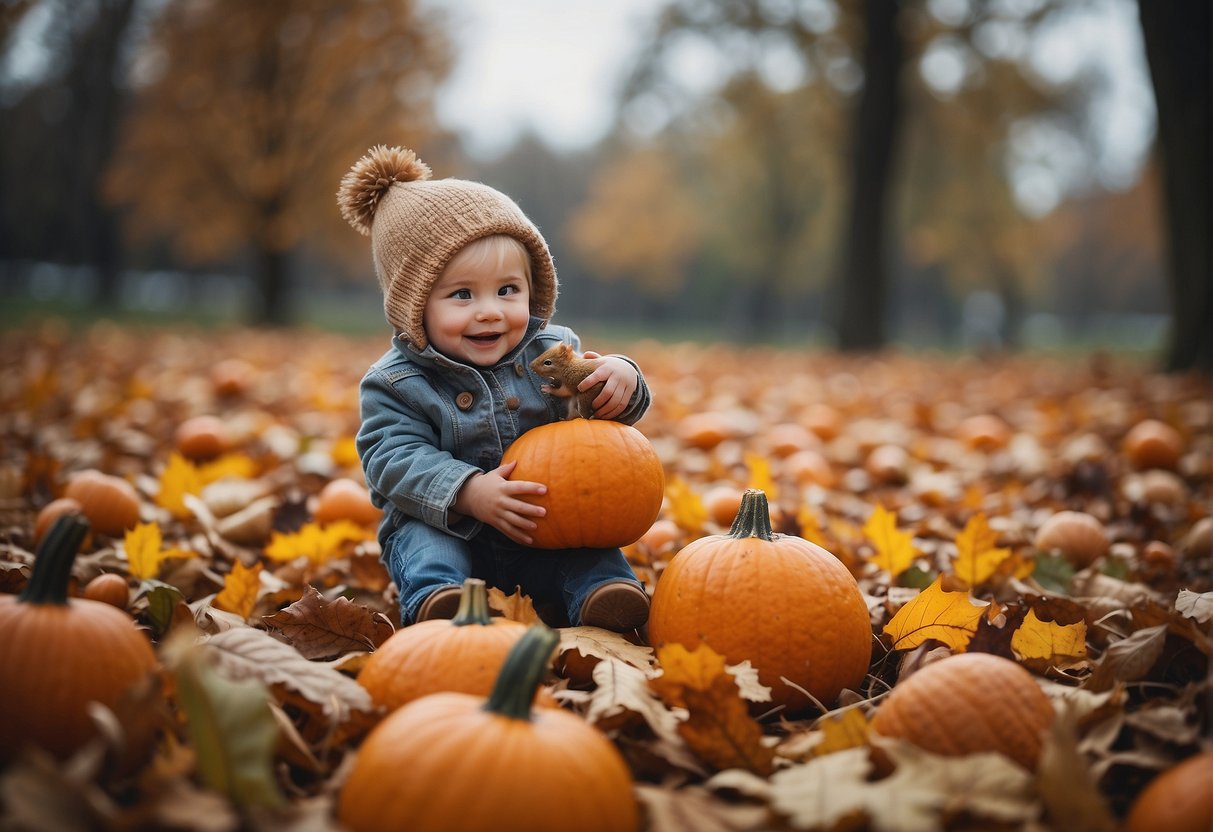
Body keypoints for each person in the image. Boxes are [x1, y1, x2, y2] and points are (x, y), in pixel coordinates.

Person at [336, 145, 651, 632]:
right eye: (462, 295)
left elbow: (596, 419)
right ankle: (441, 603)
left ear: (533, 289)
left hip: (543, 528)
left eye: (508, 291)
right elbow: (389, 457)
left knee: (590, 548)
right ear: (414, 307)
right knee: (424, 546)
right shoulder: (396, 382)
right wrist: (466, 491)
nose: (490, 311)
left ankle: (601, 599)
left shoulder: (551, 351)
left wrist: (622, 378)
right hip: (448, 527)